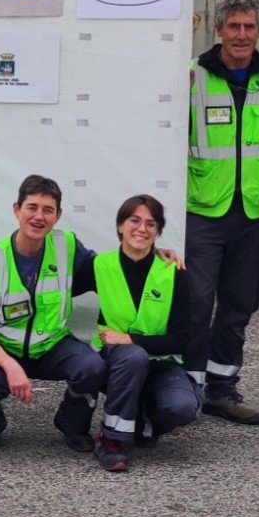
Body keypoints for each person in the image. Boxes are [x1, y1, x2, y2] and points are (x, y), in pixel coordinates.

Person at [185, 0, 259, 426]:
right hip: (203, 208)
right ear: (218, 29)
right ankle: (187, 387)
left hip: (255, 210)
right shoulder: (192, 74)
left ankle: (222, 389)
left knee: (239, 304)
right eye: (233, 26)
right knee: (196, 302)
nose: (241, 34)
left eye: (249, 26)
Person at [0, 175, 110, 454]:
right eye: (32, 207)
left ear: (58, 215)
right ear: (17, 209)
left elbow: (110, 271)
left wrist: (150, 254)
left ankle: (72, 423)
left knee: (91, 366)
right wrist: (11, 367)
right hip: (3, 349)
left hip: (53, 344)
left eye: (48, 210)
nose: (39, 217)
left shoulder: (67, 245)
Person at [91, 195, 199, 472]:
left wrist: (131, 339)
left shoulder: (173, 272)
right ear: (120, 226)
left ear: (158, 231)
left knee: (182, 407)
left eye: (151, 224)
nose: (142, 229)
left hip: (160, 363)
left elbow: (182, 339)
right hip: (115, 362)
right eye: (134, 221)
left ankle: (144, 419)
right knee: (133, 357)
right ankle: (111, 439)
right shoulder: (99, 265)